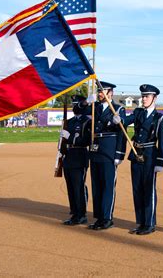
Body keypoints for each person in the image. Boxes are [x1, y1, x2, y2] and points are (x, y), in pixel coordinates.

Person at [124, 84, 163, 235]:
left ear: (154, 98)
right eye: (142, 96)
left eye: (146, 96)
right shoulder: (138, 113)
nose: (143, 99)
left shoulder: (159, 117)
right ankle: (141, 222)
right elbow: (125, 120)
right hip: (136, 153)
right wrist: (118, 119)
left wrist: (160, 161)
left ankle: (150, 223)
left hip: (150, 155)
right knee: (137, 189)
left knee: (149, 189)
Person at [87, 81, 126, 230]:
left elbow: (122, 133)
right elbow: (77, 109)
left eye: (103, 91)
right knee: (97, 185)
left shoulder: (118, 109)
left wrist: (119, 154)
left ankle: (107, 218)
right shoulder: (94, 107)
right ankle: (99, 217)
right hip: (96, 149)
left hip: (109, 150)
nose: (100, 94)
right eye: (99, 91)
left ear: (111, 93)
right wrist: (86, 102)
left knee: (108, 185)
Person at [60, 95, 91, 225]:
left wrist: (70, 137)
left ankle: (81, 214)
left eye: (76, 104)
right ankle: (74, 212)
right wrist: (62, 151)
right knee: (71, 187)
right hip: (69, 156)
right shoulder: (70, 121)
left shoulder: (87, 121)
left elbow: (86, 140)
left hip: (79, 155)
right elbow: (63, 141)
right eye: (73, 104)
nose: (74, 107)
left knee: (78, 187)